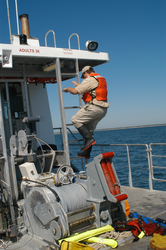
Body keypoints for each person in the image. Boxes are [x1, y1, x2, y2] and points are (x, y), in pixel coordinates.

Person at [63, 65, 109, 159]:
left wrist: (67, 89)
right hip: (103, 110)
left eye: (83, 76)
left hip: (94, 107)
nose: (84, 78)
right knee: (89, 131)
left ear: (86, 73)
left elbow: (76, 91)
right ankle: (86, 153)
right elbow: (91, 88)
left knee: (75, 119)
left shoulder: (89, 79)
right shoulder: (100, 78)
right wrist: (78, 84)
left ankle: (89, 139)